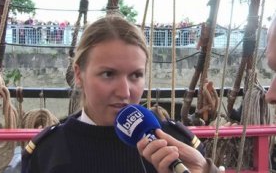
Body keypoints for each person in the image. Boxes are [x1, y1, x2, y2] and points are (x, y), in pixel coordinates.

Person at [22, 15, 218, 173]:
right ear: (78, 74)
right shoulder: (49, 152)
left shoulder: (180, 148)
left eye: (136, 75)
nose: (125, 92)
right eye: (108, 74)